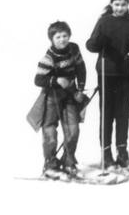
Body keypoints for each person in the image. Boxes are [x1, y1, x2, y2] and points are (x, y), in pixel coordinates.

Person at [86, 0, 129, 168]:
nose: (120, 8)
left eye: (123, 4)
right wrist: (99, 41)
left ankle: (122, 150)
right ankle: (106, 152)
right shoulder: (104, 21)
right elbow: (91, 45)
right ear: (111, 4)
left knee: (123, 113)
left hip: (125, 74)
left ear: (128, 5)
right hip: (106, 72)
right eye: (116, 4)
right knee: (107, 114)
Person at [33, 21, 87, 177]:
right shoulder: (48, 57)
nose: (62, 39)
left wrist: (80, 90)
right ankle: (50, 162)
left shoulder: (74, 49)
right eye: (58, 37)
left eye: (65, 36)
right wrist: (56, 81)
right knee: (49, 129)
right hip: (52, 97)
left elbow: (81, 69)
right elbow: (38, 80)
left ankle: (68, 160)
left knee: (73, 129)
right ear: (52, 39)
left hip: (70, 95)